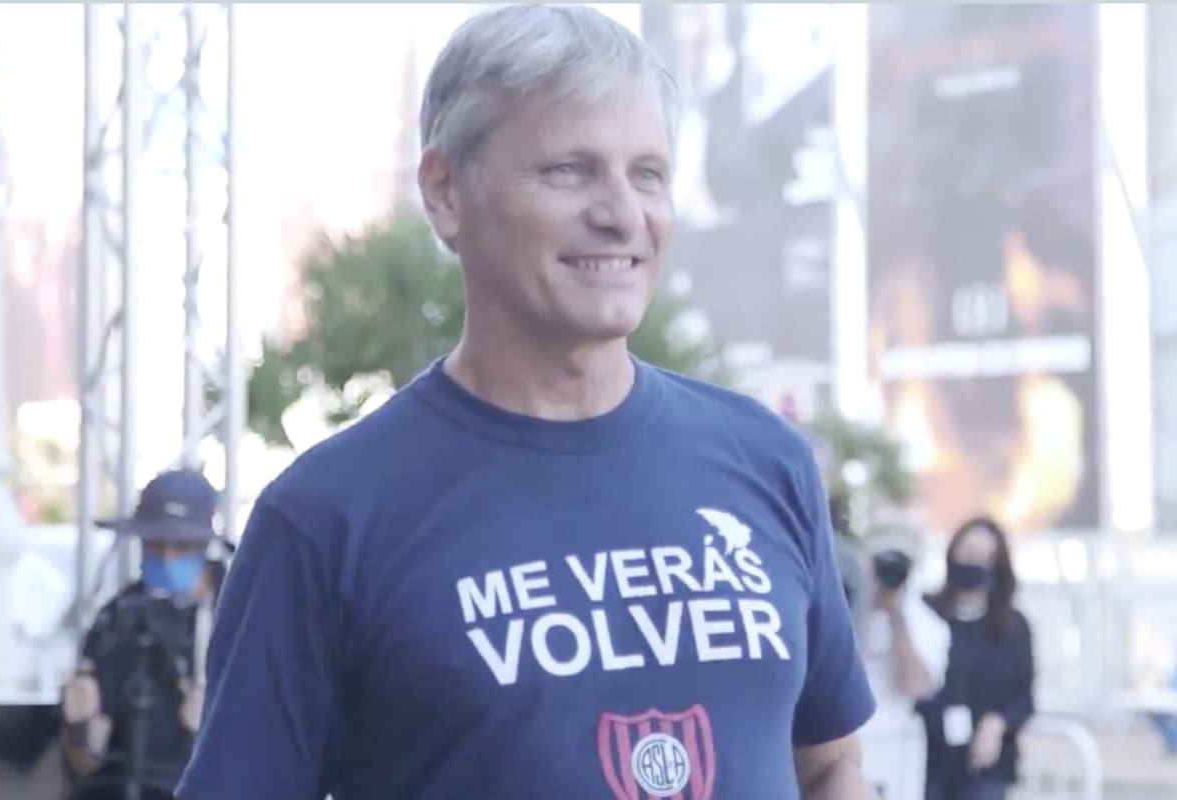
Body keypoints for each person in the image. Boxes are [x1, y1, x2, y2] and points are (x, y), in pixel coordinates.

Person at [177, 6, 875, 799]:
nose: (622, 213)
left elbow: (829, 761)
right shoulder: (327, 519)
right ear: (445, 191)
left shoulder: (764, 459)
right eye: (569, 170)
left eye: (647, 172)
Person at [61, 469, 223, 800]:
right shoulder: (118, 616)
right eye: (154, 543)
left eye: (181, 545)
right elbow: (85, 762)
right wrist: (80, 727)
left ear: (204, 545)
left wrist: (213, 730)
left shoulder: (237, 615)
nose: (167, 556)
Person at [917, 517, 1035, 800]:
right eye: (968, 553)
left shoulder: (1012, 626)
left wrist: (997, 724)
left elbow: (1025, 697)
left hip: (984, 770)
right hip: (926, 763)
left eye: (983, 557)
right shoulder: (926, 613)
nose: (973, 562)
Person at [855, 519, 951, 799]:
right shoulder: (843, 608)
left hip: (892, 751)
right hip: (843, 744)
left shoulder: (928, 624)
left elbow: (915, 686)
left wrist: (896, 617)